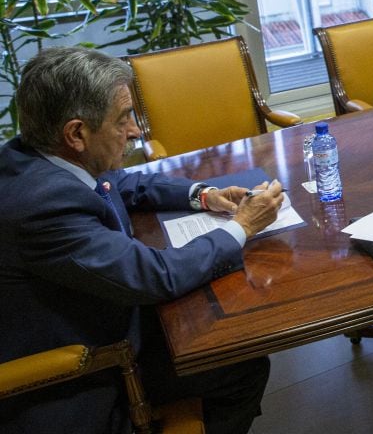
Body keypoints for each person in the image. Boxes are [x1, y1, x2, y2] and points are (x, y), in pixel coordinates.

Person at [0, 47, 284, 434]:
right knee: (241, 364)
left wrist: (202, 195)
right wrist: (243, 227)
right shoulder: (41, 207)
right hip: (90, 369)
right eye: (123, 119)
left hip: (105, 311)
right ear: (77, 133)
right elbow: (153, 276)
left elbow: (123, 183)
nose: (136, 130)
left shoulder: (35, 157)